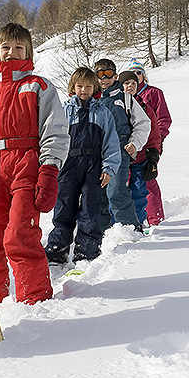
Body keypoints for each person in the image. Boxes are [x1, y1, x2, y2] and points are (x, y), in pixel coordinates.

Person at [0, 23, 68, 314]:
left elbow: (56, 130)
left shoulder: (37, 85)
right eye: (6, 47)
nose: (12, 52)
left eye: (19, 47)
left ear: (28, 51)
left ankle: (34, 302)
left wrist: (49, 169)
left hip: (27, 160)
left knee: (19, 234)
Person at [45, 68, 121, 264]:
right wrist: (52, 164)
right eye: (80, 86)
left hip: (93, 165)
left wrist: (108, 168)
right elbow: (54, 137)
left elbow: (111, 143)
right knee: (63, 208)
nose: (84, 90)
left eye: (88, 86)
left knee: (90, 209)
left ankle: (86, 252)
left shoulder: (102, 112)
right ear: (73, 87)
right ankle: (57, 251)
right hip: (67, 165)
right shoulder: (63, 110)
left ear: (94, 87)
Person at [94, 58, 150, 233]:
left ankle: (130, 229)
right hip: (95, 152)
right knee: (97, 194)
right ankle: (101, 233)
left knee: (116, 190)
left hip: (118, 150)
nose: (104, 79)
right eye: (100, 75)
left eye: (108, 74)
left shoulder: (125, 99)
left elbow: (143, 123)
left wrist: (135, 143)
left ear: (115, 75)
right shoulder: (90, 98)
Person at [125, 60, 171, 226]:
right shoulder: (122, 97)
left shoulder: (153, 93)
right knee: (129, 184)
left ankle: (155, 220)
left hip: (148, 147)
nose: (135, 77)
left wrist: (158, 141)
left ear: (143, 75)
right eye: (131, 75)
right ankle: (132, 222)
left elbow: (163, 118)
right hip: (127, 149)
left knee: (148, 182)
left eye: (138, 73)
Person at [120, 70, 162, 226]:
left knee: (140, 193)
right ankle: (117, 227)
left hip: (140, 159)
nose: (130, 86)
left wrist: (153, 157)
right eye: (126, 83)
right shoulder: (115, 105)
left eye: (133, 83)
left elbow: (154, 134)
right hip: (119, 160)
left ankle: (139, 224)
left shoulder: (144, 107)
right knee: (118, 195)